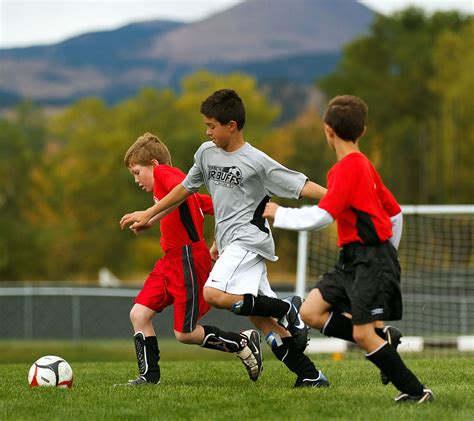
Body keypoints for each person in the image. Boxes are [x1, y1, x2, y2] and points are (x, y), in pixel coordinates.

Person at [120, 90, 329, 388]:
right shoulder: (206, 153)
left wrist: (338, 198)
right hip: (231, 243)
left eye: (212, 125)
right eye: (206, 125)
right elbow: (186, 190)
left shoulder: (256, 161)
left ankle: (288, 309)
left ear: (231, 125)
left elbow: (300, 184)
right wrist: (153, 216)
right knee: (259, 319)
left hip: (250, 240)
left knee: (214, 293)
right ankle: (310, 375)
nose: (207, 131)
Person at [263, 95, 434, 403]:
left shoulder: (347, 169)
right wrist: (389, 250)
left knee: (361, 335)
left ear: (328, 130)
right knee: (311, 312)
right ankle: (384, 340)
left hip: (369, 260)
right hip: (353, 260)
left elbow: (323, 215)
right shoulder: (363, 165)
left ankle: (416, 391)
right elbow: (395, 212)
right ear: (363, 130)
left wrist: (280, 214)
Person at [121, 132, 263, 386]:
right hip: (170, 260)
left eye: (136, 171)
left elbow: (185, 186)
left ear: (154, 165)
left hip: (187, 259)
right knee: (139, 314)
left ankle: (242, 342)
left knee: (185, 334)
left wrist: (150, 214)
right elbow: (218, 207)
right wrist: (151, 221)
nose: (135, 179)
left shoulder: (166, 173)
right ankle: (149, 377)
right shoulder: (169, 189)